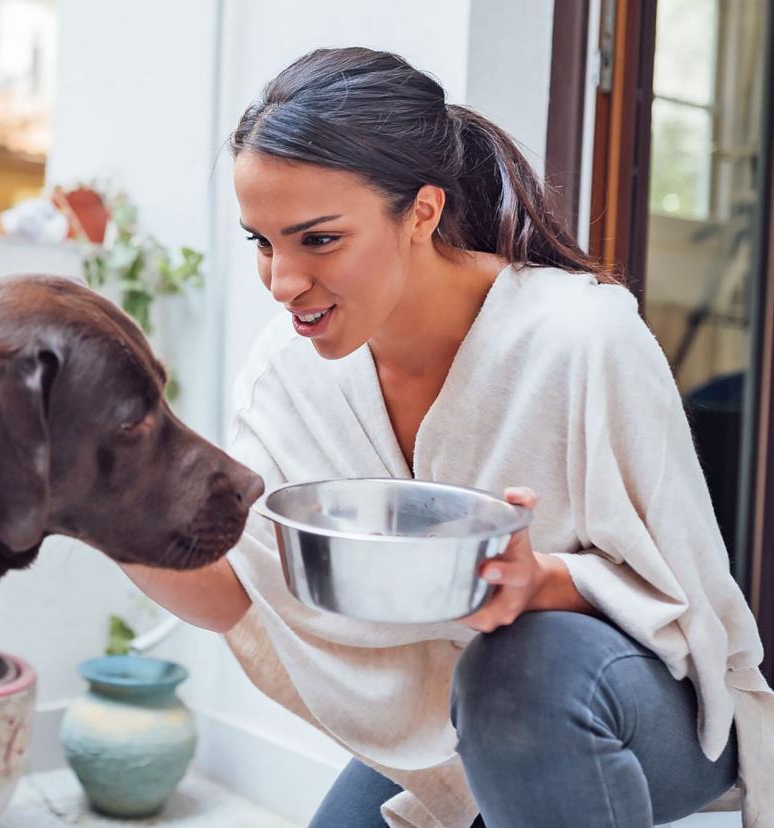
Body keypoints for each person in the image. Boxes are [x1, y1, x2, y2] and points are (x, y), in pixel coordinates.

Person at [119, 47, 774, 827]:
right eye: (262, 242)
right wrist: (91, 501)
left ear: (422, 213)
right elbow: (240, 590)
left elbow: (688, 602)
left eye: (318, 240)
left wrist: (544, 584)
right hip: (452, 734)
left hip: (635, 711)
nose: (283, 282)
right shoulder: (287, 372)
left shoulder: (581, 337)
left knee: (522, 670)